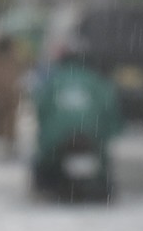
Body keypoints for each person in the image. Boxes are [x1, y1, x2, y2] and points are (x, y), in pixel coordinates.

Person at [31, 40, 124, 196]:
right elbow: (112, 110)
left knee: (43, 167)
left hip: (56, 138)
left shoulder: (53, 81)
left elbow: (41, 108)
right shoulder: (97, 82)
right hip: (92, 135)